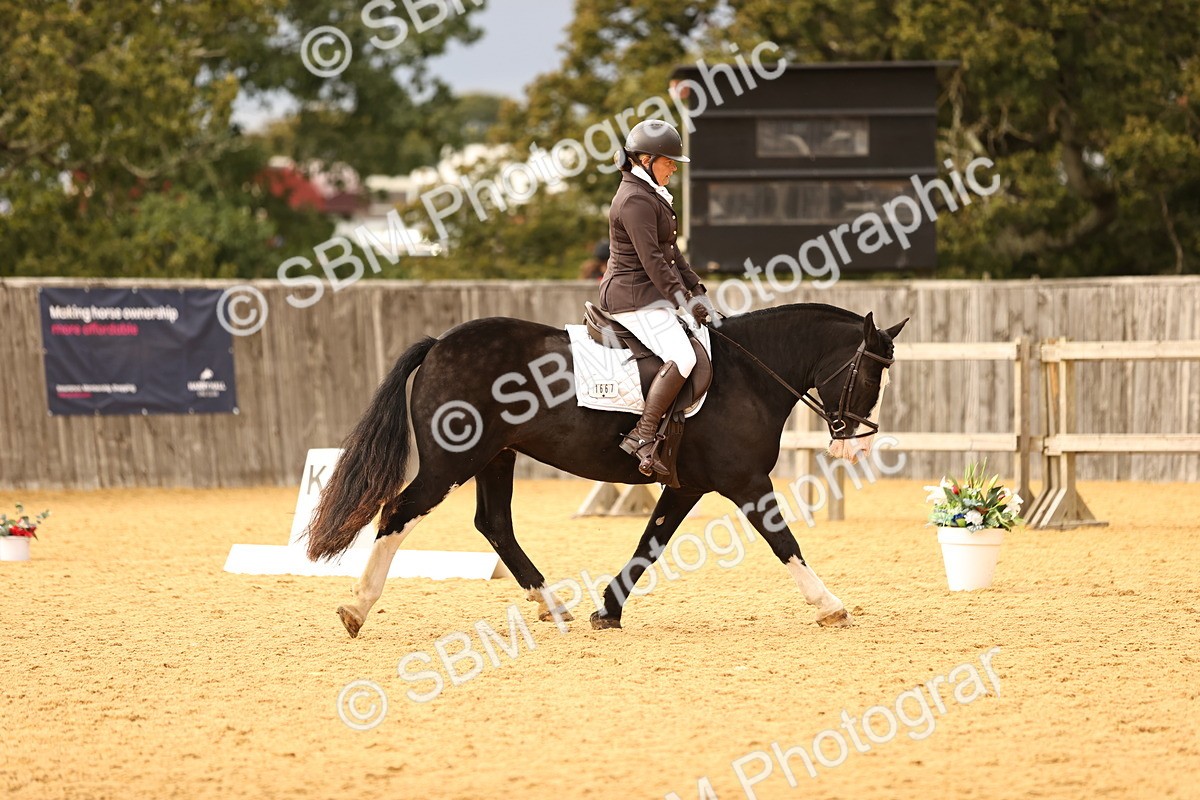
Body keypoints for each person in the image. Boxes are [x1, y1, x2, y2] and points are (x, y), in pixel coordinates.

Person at [598, 119, 711, 477]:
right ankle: (643, 435)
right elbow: (653, 262)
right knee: (683, 356)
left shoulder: (648, 195)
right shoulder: (634, 200)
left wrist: (697, 289)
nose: (674, 167)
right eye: (668, 161)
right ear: (645, 159)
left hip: (647, 295)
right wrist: (683, 301)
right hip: (632, 296)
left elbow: (672, 253)